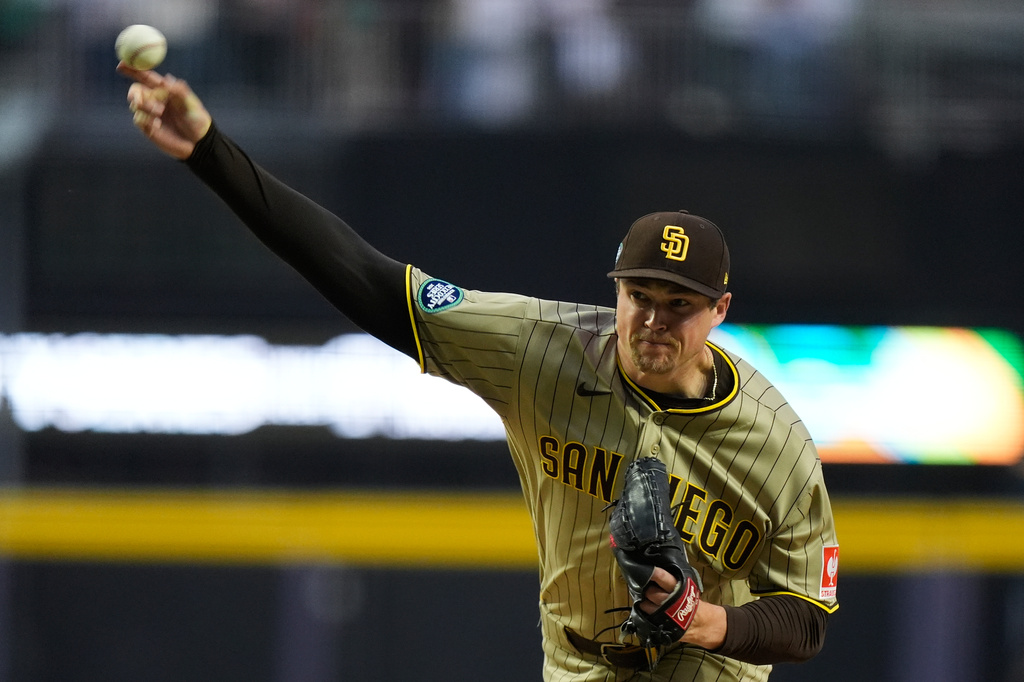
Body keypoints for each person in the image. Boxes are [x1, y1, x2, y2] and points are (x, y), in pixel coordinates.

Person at [118, 63, 839, 682]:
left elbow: (806, 618)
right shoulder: (541, 346)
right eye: (639, 296)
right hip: (576, 664)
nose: (653, 319)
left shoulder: (776, 441)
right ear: (616, 290)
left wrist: (707, 620)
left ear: (720, 311)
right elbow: (368, 280)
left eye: (678, 305)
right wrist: (210, 153)